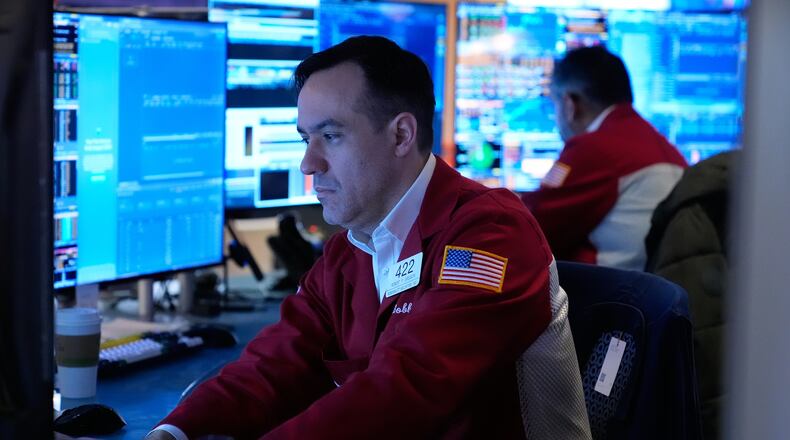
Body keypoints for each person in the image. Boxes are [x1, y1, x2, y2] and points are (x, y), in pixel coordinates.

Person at [146, 36, 589, 440]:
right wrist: (173, 432)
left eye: (330, 137)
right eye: (305, 138)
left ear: (401, 134)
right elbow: (273, 366)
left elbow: (405, 394)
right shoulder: (351, 248)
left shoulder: (490, 234)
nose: (308, 163)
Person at [521, 45, 687, 271]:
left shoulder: (595, 148)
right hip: (646, 293)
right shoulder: (662, 146)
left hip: (605, 299)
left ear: (570, 104)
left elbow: (531, 226)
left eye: (553, 105)